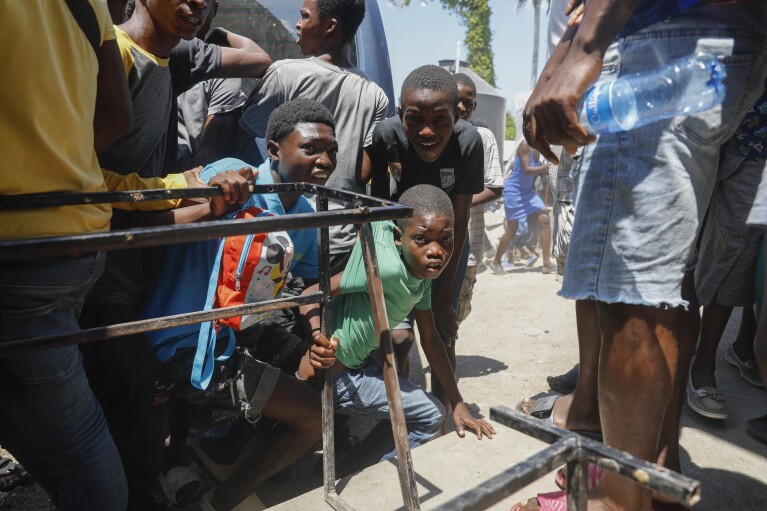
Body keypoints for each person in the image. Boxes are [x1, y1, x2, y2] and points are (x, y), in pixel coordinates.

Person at [517, 1, 767, 509]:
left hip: (662, 45)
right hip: (713, 45)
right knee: (664, 288)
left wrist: (583, 48)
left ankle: (618, 500)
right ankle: (653, 474)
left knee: (626, 295)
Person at [142, 99, 338, 511]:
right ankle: (222, 500)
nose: (325, 160)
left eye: (332, 151)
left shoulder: (305, 214)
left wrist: (318, 334)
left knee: (317, 372)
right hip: (184, 335)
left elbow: (305, 285)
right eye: (312, 148)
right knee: (312, 418)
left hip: (236, 333)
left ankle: (226, 451)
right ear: (273, 150)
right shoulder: (231, 173)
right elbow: (153, 220)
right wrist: (211, 200)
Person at [0, 1, 133, 509]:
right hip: (74, 239)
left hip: (21, 255)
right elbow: (117, 115)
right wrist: (56, 166)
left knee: (77, 448)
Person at [297, 184, 495, 458]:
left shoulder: (421, 278)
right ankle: (371, 471)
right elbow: (309, 294)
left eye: (446, 240)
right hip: (339, 375)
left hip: (361, 365)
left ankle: (362, 459)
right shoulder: (385, 271)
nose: (436, 250)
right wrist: (317, 336)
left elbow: (430, 338)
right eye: (422, 239)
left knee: (417, 399)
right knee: (431, 414)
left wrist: (458, 401)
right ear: (399, 238)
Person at [362, 64, 484, 415]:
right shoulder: (387, 136)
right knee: (399, 339)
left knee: (444, 333)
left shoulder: (468, 143)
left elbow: (459, 223)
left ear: (456, 114)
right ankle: (407, 414)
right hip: (399, 249)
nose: (427, 131)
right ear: (401, 115)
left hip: (447, 249)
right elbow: (378, 209)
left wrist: (443, 295)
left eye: (440, 119)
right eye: (414, 119)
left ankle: (447, 416)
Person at [239, 0, 388, 270]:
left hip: (278, 235)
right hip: (339, 241)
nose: (298, 24)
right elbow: (364, 172)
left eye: (305, 17)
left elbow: (242, 137)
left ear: (330, 26)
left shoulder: (285, 74)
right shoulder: (374, 93)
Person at [687, 93, 767, 420]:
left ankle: (736, 351)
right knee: (727, 252)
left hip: (752, 143)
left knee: (749, 256)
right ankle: (697, 362)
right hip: (742, 139)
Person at [452, 73, 504, 332]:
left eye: (468, 102)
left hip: (470, 237)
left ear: (475, 107)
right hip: (433, 237)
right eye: (456, 100)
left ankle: (446, 361)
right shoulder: (432, 134)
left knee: (458, 307)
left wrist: (454, 202)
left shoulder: (483, 137)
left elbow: (495, 188)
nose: (461, 107)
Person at [490, 139, 554, 275]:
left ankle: (547, 264)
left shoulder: (541, 148)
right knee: (511, 231)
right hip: (514, 192)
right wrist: (547, 167)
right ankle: (496, 261)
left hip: (528, 193)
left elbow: (542, 177)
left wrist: (546, 202)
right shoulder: (525, 145)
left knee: (544, 219)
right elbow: (527, 170)